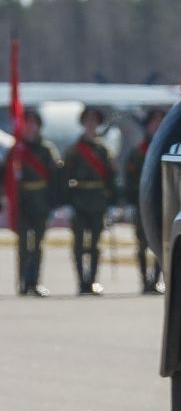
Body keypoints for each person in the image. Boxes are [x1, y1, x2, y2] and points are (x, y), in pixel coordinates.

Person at [5, 108, 61, 296]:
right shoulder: (17, 149)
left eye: (33, 124)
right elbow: (6, 176)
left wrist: (55, 201)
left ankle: (34, 283)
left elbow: (55, 176)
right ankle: (21, 283)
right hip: (22, 202)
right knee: (22, 244)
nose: (30, 127)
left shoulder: (46, 149)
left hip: (40, 201)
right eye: (27, 123)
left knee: (37, 244)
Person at [64, 106, 114, 295]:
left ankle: (92, 280)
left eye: (94, 121)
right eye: (88, 121)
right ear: (83, 124)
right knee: (78, 243)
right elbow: (65, 178)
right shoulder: (74, 150)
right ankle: (80, 281)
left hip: (98, 200)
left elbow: (111, 178)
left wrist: (112, 203)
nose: (91, 125)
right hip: (79, 200)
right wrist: (66, 203)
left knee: (95, 244)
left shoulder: (103, 150)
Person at [123, 107, 166, 294]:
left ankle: (156, 280)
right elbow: (130, 179)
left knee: (159, 242)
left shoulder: (168, 151)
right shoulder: (138, 152)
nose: (156, 126)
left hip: (163, 204)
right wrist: (131, 202)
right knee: (141, 244)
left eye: (159, 123)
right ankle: (144, 281)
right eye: (153, 123)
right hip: (142, 204)